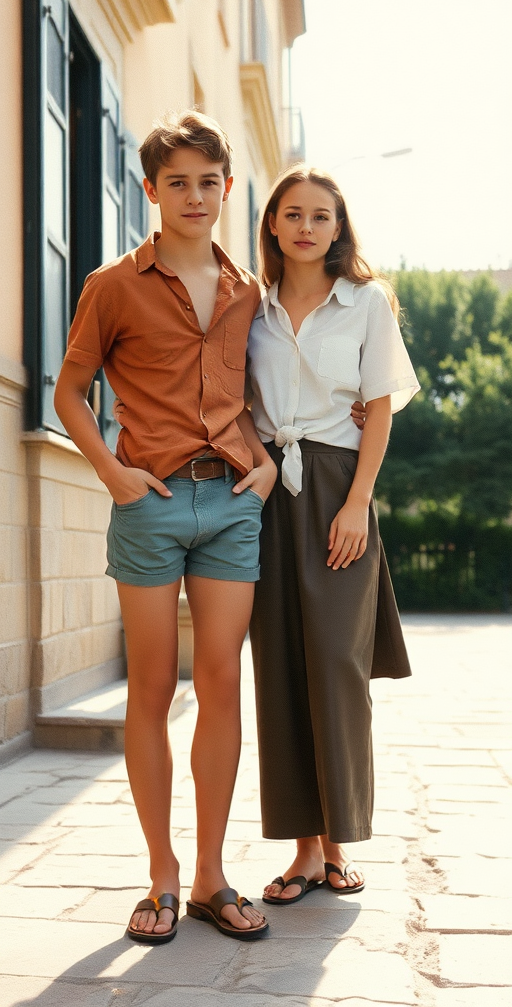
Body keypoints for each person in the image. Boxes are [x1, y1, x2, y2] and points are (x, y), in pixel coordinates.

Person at [54, 110, 278, 943]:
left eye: (208, 181)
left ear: (226, 189)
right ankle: (162, 875)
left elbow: (261, 394)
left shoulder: (247, 290)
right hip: (146, 505)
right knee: (151, 690)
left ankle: (214, 876)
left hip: (231, 505)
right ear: (149, 191)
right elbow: (70, 393)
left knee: (220, 682)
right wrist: (113, 475)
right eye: (175, 181)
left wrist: (266, 466)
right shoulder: (111, 285)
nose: (194, 195)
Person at [243, 164, 420, 903]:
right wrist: (255, 464)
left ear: (339, 227)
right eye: (293, 213)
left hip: (338, 490)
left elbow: (377, 406)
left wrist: (358, 501)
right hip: (260, 491)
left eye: (322, 215)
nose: (308, 226)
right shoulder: (248, 308)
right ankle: (304, 852)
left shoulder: (367, 301)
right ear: (274, 225)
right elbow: (232, 401)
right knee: (279, 664)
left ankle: (341, 840)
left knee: (337, 667)